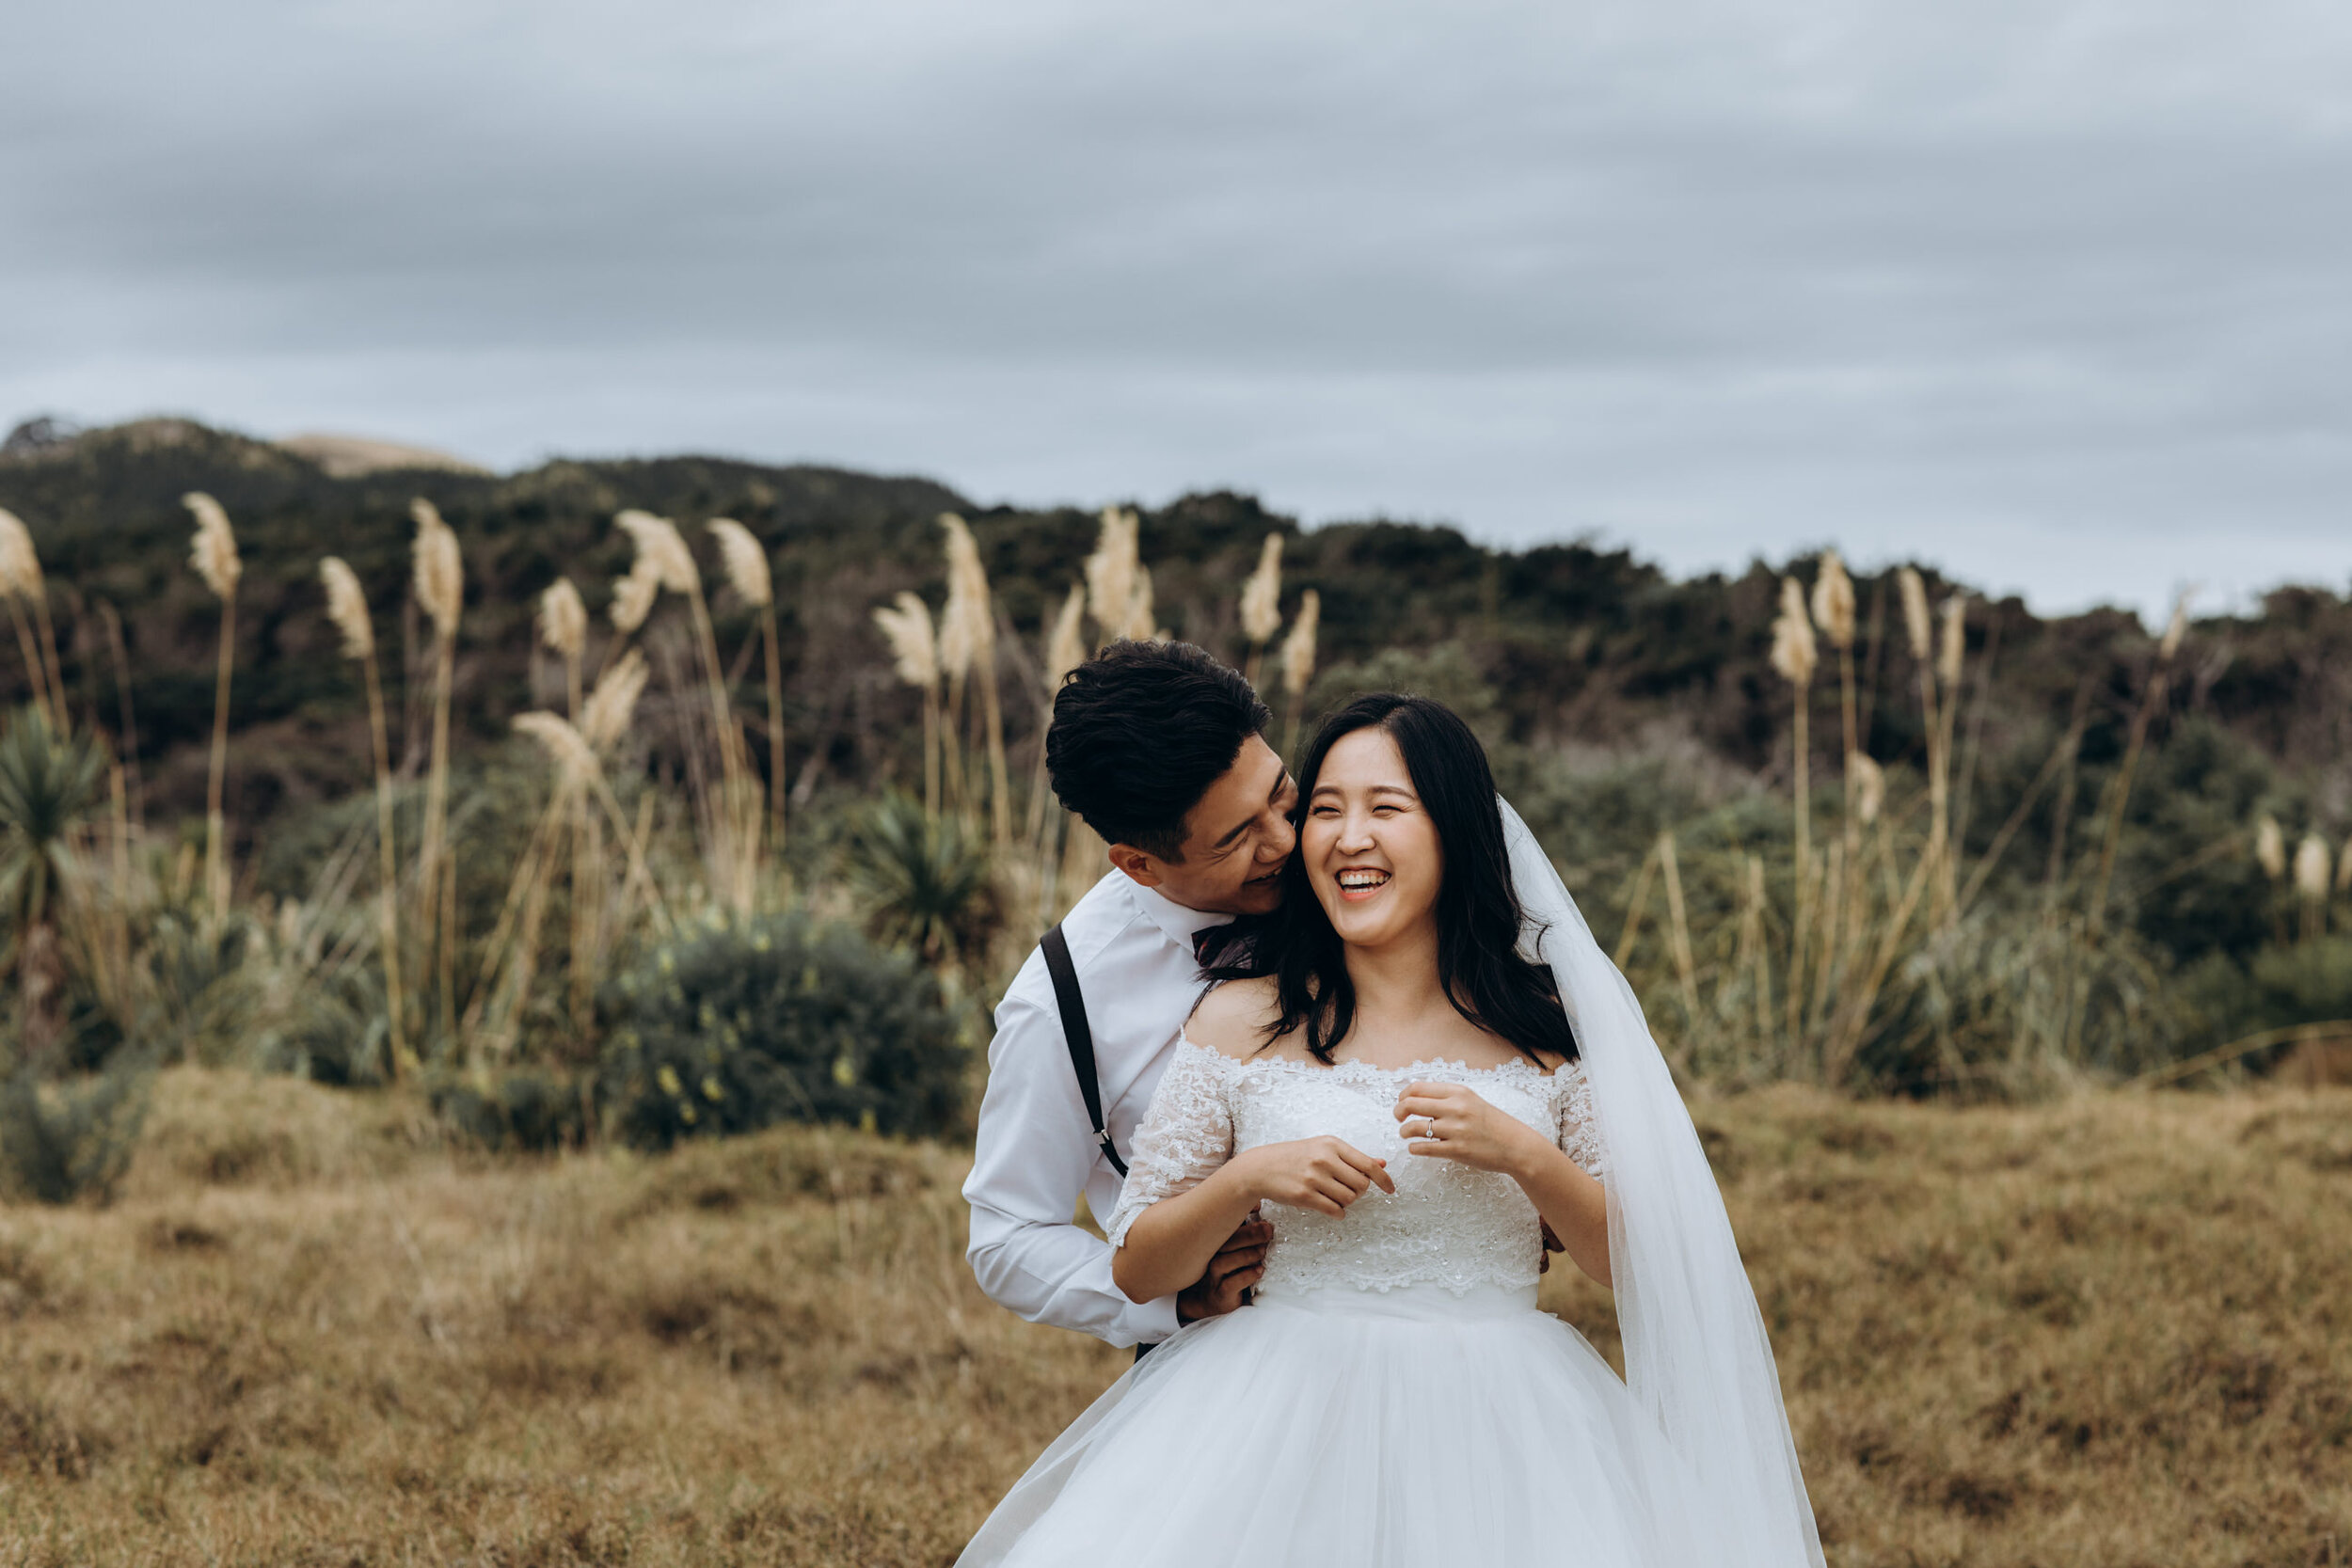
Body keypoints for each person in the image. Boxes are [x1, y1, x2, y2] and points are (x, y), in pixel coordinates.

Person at [959, 693, 1827, 1568]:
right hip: (1264, 1418)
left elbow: (1628, 1261)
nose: (1333, 836)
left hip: (1507, 1424)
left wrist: (1521, 1154)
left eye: (1374, 807)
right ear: (1142, 862)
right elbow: (1129, 1260)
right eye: (1326, 810)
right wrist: (1246, 1178)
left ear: (1454, 828)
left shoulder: (1542, 1027)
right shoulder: (1229, 1017)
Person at [962, 640, 1295, 1350]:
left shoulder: (1352, 859)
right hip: (1220, 1371)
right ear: (1139, 863)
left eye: (1280, 791)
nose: (1287, 840)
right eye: (1238, 837)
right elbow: (1006, 1236)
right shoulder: (1061, 1001)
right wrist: (1169, 1300)